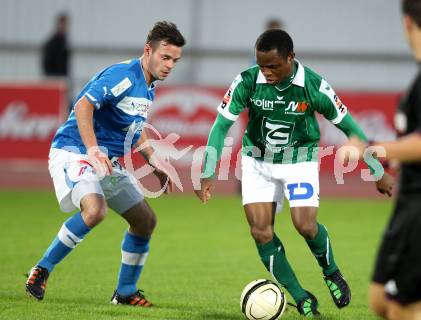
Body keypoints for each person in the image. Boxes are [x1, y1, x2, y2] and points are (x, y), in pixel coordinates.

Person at [195, 29, 394, 317]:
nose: (267, 72)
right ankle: (301, 297)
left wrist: (377, 171)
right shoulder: (247, 81)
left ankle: (331, 271)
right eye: (262, 66)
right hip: (257, 162)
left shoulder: (314, 86)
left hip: (300, 160)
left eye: (274, 66)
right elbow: (220, 126)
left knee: (305, 225)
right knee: (260, 232)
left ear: (291, 58)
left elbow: (352, 129)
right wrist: (208, 170)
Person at [25, 21, 185, 307]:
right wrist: (93, 149)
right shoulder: (123, 75)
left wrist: (154, 163)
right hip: (75, 151)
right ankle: (41, 270)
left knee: (145, 221)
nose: (170, 64)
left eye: (175, 59)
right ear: (148, 50)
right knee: (95, 210)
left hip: (105, 161)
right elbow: (83, 105)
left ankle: (125, 293)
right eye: (165, 56)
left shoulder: (149, 88)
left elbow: (135, 129)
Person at [341, 1, 421, 319]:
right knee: (381, 300)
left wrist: (371, 148)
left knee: (403, 308)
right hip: (411, 204)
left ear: (407, 23)